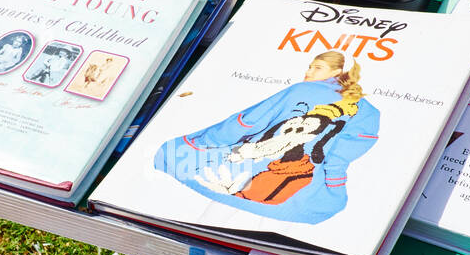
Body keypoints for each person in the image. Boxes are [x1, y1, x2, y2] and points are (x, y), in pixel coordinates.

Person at [155, 50, 380, 224]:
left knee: (184, 160)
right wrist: (333, 187)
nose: (309, 72)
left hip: (252, 169)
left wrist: (204, 142)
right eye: (309, 67)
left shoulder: (300, 90)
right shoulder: (369, 112)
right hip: (300, 192)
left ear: (336, 72)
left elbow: (246, 121)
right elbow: (339, 160)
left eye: (317, 67)